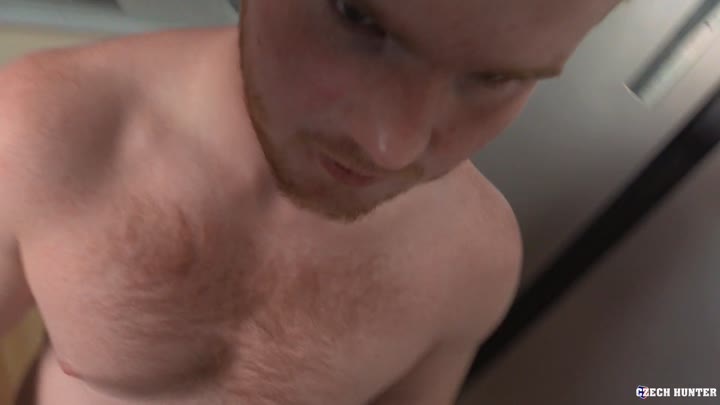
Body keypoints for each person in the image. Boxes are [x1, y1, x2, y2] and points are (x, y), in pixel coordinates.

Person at [0, 0, 621, 403]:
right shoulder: (42, 127)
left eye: (493, 78)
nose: (390, 146)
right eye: (358, 18)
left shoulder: (478, 260)